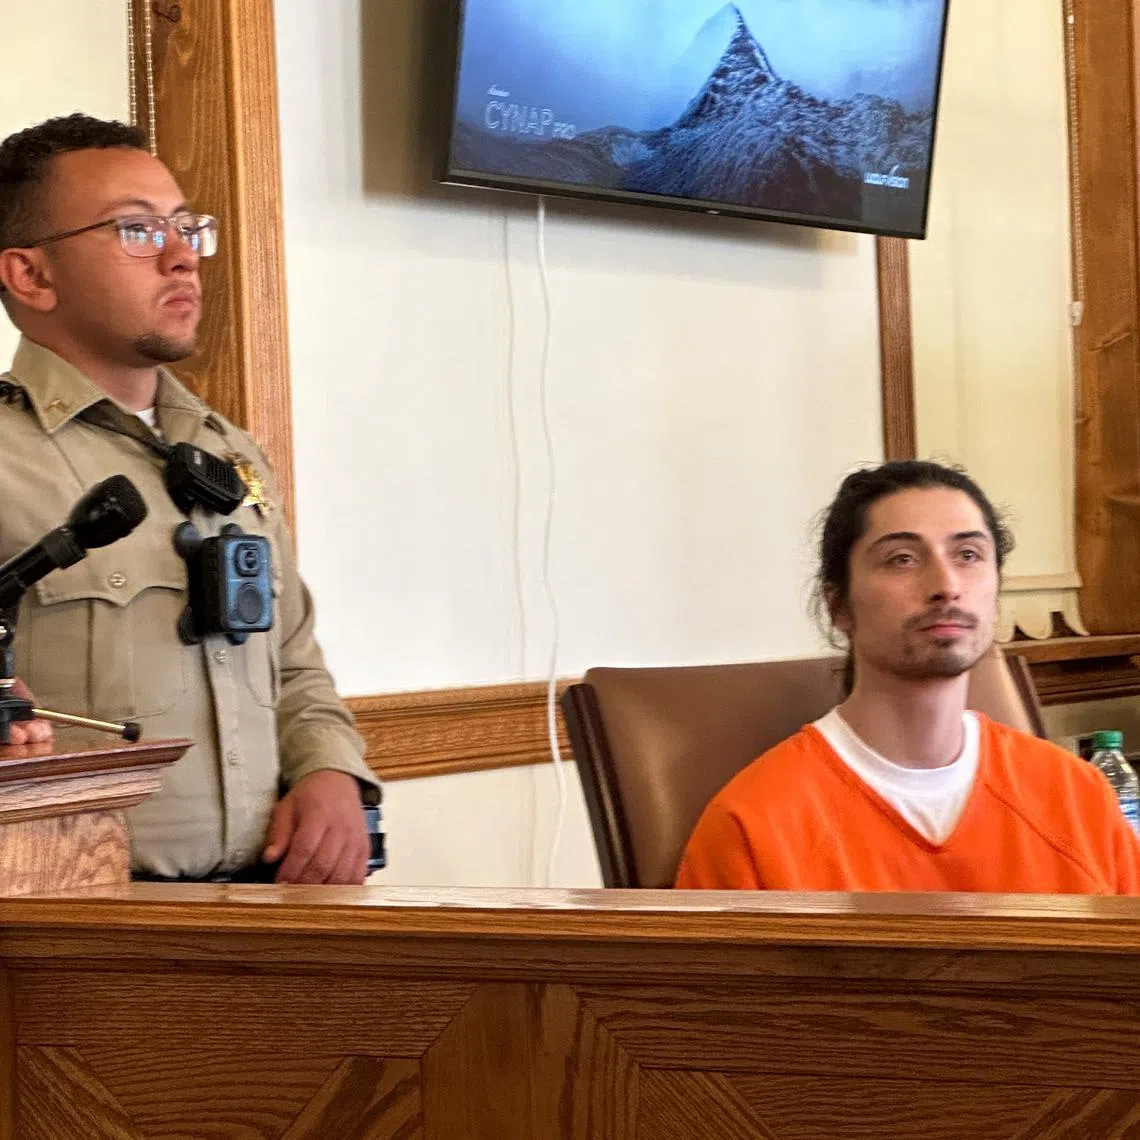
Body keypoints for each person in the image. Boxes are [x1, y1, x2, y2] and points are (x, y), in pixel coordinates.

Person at [0, 113, 379, 884]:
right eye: (136, 230)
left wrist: (331, 770)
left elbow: (294, 660)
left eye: (185, 227)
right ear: (31, 276)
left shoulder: (229, 452)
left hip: (271, 899)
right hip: (82, 912)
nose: (181, 256)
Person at [676, 460, 1140, 893]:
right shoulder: (750, 826)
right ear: (838, 605)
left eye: (968, 554)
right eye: (902, 558)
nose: (946, 586)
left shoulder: (1079, 795)